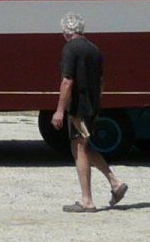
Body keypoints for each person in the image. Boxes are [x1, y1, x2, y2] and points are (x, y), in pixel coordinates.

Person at [51, 13, 128, 213]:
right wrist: (96, 102)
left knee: (79, 149)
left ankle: (87, 201)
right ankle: (115, 182)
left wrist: (60, 110)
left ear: (66, 31)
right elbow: (101, 81)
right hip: (93, 107)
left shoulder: (70, 49)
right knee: (84, 146)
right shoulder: (94, 49)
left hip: (79, 109)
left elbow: (67, 81)